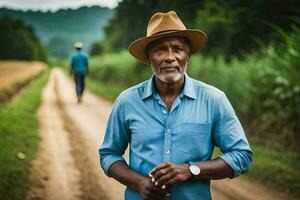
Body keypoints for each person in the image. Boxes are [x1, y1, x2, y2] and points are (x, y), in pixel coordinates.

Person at [99, 11, 252, 200]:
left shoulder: (214, 100)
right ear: (149, 57)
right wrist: (139, 183)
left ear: (188, 55)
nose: (169, 57)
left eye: (177, 49)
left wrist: (191, 170)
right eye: (160, 50)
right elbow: (109, 154)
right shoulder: (127, 101)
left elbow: (242, 156)